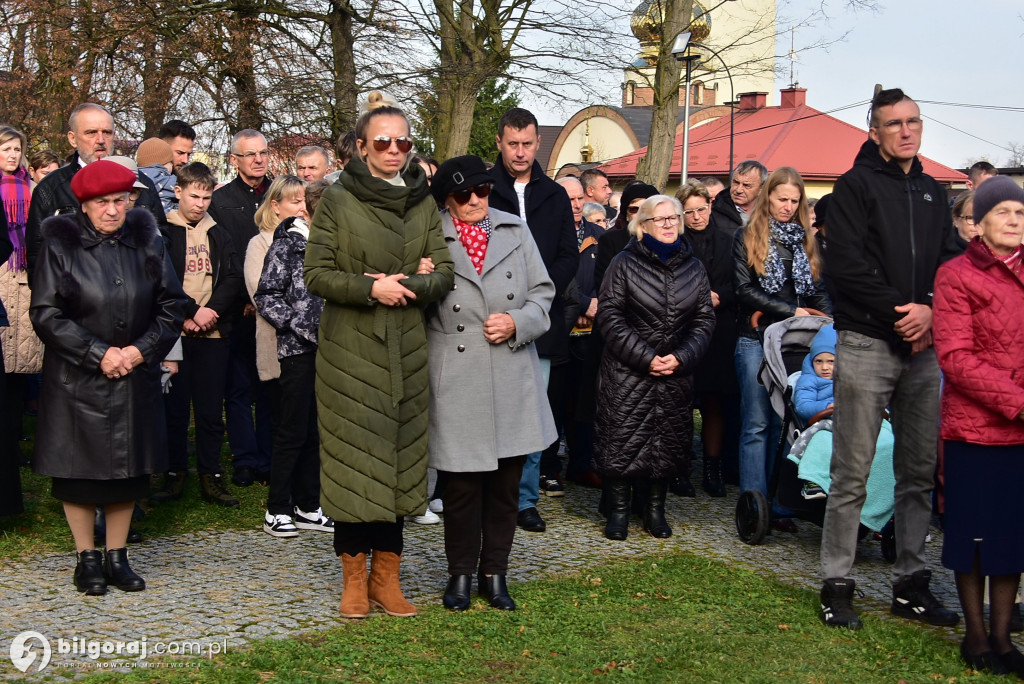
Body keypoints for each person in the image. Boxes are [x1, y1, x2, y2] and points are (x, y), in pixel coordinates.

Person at [304, 91, 454, 619]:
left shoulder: (424, 202)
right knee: (351, 465)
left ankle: (386, 580)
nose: (395, 150)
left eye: (404, 142)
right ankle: (352, 579)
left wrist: (406, 282)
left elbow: (444, 275)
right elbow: (316, 274)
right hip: (351, 349)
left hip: (407, 349)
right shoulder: (338, 199)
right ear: (363, 148)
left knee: (398, 465)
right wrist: (371, 290)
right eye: (383, 142)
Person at [819, 88, 961, 630]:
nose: (905, 131)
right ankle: (837, 584)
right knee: (851, 471)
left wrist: (928, 311)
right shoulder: (854, 187)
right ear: (874, 133)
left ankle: (910, 582)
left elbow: (950, 263)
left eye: (913, 122)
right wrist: (902, 311)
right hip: (867, 343)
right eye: (893, 124)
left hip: (923, 351)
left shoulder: (932, 191)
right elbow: (845, 266)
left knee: (917, 472)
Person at [29, 160, 185, 594]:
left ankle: (118, 557)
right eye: (103, 202)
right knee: (79, 475)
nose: (114, 210)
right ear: (84, 204)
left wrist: (138, 352)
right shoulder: (60, 245)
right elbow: (46, 313)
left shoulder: (148, 242)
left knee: (128, 471)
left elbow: (172, 304)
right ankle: (87, 559)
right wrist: (98, 354)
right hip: (76, 379)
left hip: (133, 375)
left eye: (121, 200)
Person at [425, 155, 555, 612]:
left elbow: (544, 293)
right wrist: (421, 279)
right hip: (456, 375)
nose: (476, 200)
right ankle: (460, 574)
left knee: (505, 486)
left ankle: (494, 574)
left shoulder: (515, 231)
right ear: (446, 200)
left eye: (482, 190)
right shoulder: (428, 236)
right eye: (464, 195)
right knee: (460, 488)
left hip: (510, 370)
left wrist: (518, 322)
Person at [933, 176, 1024, 676]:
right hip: (973, 429)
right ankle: (975, 635)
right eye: (1004, 212)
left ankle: (1004, 637)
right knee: (974, 535)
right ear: (981, 222)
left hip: (1019, 436)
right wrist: (1017, 401)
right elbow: (956, 356)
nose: (1014, 222)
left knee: (1011, 537)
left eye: (1021, 214)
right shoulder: (956, 274)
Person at [595, 193, 714, 540]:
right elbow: (611, 316)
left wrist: (681, 357)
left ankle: (655, 512)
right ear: (642, 225)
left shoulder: (694, 266)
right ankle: (617, 512)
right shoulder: (623, 262)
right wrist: (646, 357)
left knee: (667, 441)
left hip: (675, 371)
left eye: (673, 218)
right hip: (627, 371)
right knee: (622, 440)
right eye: (660, 219)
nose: (668, 224)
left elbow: (704, 320)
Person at [487, 107, 577, 534]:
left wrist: (536, 296)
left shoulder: (556, 195)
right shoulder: (483, 191)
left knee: (531, 412)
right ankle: (487, 493)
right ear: (500, 144)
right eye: (512, 144)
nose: (520, 152)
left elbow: (567, 257)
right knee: (489, 409)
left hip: (540, 319)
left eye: (527, 144)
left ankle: (524, 499)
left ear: (538, 143)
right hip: (490, 317)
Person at [733, 166, 831, 514]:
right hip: (755, 338)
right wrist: (791, 310)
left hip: (794, 343)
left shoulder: (807, 240)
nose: (788, 206)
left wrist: (831, 323)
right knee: (757, 422)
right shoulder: (746, 236)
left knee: (783, 422)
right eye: (781, 199)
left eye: (794, 200)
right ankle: (753, 503)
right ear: (768, 197)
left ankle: (780, 500)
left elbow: (817, 290)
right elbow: (743, 289)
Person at [155, 162, 243, 507]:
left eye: (206, 197)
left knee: (209, 410)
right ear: (179, 192)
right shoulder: (165, 232)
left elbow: (232, 278)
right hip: (175, 333)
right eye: (194, 196)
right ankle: (175, 472)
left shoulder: (219, 233)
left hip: (213, 333)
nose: (200, 203)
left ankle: (211, 474)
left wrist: (210, 314)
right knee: (174, 409)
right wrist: (190, 312)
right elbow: (162, 279)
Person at [254, 178, 334, 539]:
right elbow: (266, 295)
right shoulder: (286, 245)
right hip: (297, 350)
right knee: (291, 429)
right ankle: (277, 508)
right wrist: (298, 326)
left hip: (332, 351)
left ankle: (308, 504)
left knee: (317, 431)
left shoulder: (334, 242)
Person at [27, 103, 167, 280]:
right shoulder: (50, 188)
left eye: (107, 132)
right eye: (91, 132)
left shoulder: (142, 184)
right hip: (76, 300)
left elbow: (163, 243)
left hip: (135, 295)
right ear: (72, 138)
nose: (100, 140)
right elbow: (37, 256)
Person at [209, 129, 273, 488]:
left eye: (263, 153)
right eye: (250, 155)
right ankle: (244, 459)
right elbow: (226, 257)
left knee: (268, 387)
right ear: (235, 160)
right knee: (236, 388)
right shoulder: (221, 200)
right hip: (236, 309)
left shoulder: (280, 195)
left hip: (273, 309)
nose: (258, 160)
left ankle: (266, 457)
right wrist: (245, 299)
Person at [676, 180, 736, 497]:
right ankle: (680, 467)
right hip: (683, 328)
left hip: (719, 328)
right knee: (682, 401)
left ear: (710, 206)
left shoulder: (728, 241)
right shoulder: (675, 242)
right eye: (689, 211)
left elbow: (740, 283)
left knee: (715, 401)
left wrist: (719, 296)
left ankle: (713, 468)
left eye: (701, 209)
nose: (697, 216)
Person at [0, 126, 42, 468]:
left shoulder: (33, 188)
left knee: (19, 370)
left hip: (26, 278)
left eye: (16, 149)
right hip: (1, 277)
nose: (12, 155)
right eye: (5, 149)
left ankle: (15, 445)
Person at [792, 324, 836, 500]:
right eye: (819, 361)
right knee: (822, 440)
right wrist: (828, 406)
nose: (824, 367)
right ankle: (813, 480)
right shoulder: (809, 380)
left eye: (831, 361)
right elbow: (803, 406)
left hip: (853, 422)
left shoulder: (851, 378)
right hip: (822, 423)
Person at [709, 160, 768, 240]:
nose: (739, 190)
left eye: (746, 185)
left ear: (761, 189)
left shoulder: (772, 214)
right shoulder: (713, 213)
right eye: (736, 182)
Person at [136, 138, 177, 214]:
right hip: (167, 217)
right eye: (171, 162)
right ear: (165, 163)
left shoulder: (135, 178)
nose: (172, 165)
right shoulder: (169, 179)